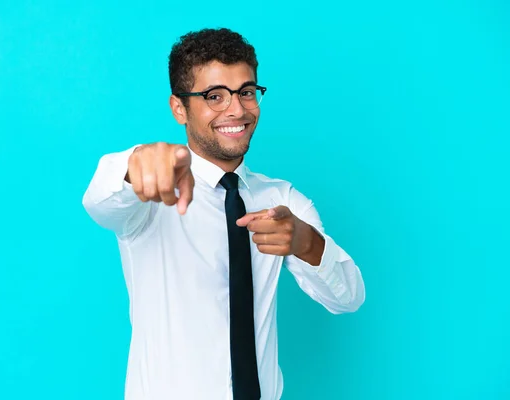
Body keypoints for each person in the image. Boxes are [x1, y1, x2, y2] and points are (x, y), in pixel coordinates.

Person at [82, 27, 365, 400]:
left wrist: (305, 242)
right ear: (179, 108)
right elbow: (99, 201)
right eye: (214, 96)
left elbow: (348, 298)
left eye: (246, 92)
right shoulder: (151, 194)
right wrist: (134, 166)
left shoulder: (282, 199)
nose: (236, 109)